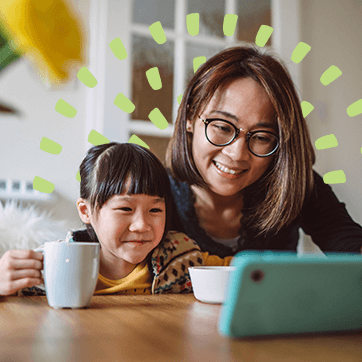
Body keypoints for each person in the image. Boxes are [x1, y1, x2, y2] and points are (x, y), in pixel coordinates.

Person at [166, 45, 362, 257]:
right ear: (189, 117)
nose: (237, 154)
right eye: (222, 127)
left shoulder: (294, 185)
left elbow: (350, 248)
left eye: (261, 137)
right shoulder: (154, 192)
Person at [0, 143, 232, 296]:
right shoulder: (51, 264)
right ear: (86, 211)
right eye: (124, 208)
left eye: (155, 210)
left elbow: (236, 269)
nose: (142, 225)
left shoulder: (181, 254)